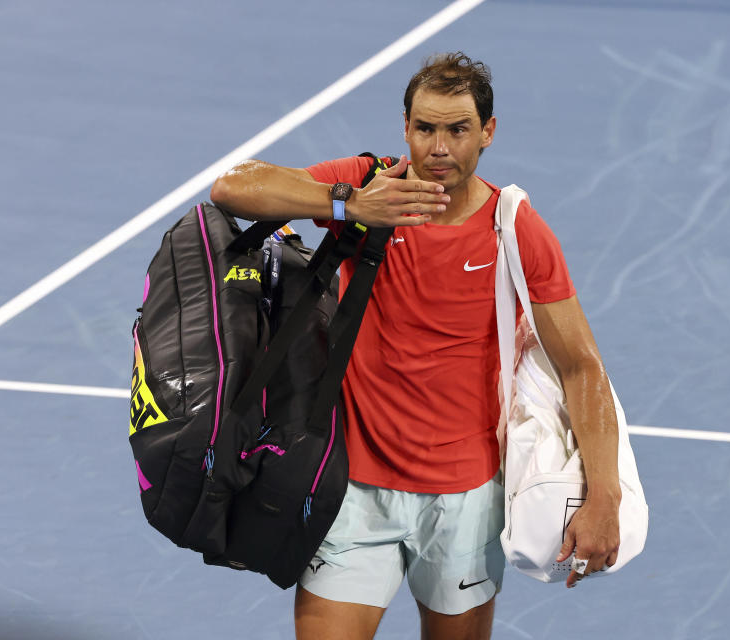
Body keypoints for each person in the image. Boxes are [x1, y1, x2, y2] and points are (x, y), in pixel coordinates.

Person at [210, 52, 621, 640]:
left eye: (457, 129)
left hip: (467, 504)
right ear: (405, 127)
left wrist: (603, 496)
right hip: (352, 491)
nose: (439, 147)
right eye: (425, 128)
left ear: (488, 133)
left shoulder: (515, 229)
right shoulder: (367, 183)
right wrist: (347, 203)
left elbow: (582, 366)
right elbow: (234, 186)